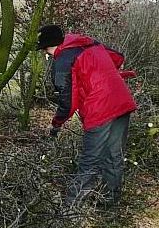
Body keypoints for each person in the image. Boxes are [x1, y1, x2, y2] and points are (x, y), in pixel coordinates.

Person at [38, 24, 137, 208]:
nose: (47, 55)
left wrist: (56, 124)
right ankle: (110, 203)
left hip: (100, 109)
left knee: (89, 161)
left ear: (48, 47)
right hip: (121, 102)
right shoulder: (88, 43)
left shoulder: (63, 61)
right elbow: (118, 58)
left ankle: (70, 210)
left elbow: (67, 102)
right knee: (114, 156)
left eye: (45, 50)